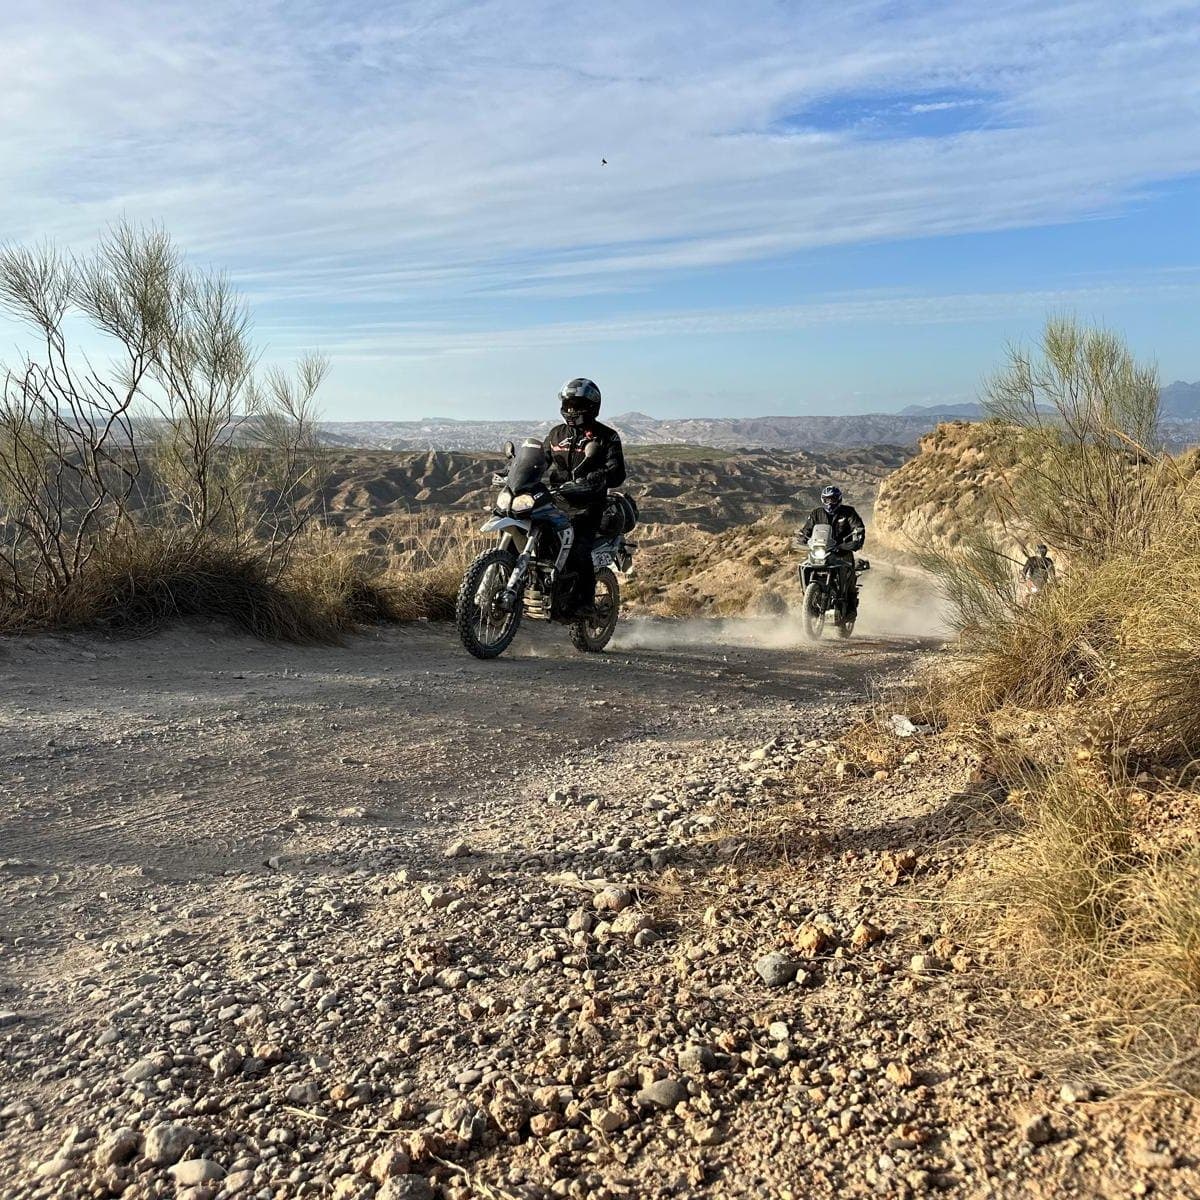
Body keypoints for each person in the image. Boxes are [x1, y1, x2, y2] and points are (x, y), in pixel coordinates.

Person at [543, 378, 626, 615]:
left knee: (578, 547)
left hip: (588, 505)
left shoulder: (606, 437)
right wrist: (515, 472)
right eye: (568, 405)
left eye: (576, 405)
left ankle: (584, 603)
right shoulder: (556, 434)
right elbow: (541, 460)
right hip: (557, 500)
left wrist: (600, 476)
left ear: (591, 406)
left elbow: (617, 472)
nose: (571, 410)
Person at [798, 484, 866, 615]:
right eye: (827, 499)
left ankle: (851, 610)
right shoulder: (816, 513)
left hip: (842, 552)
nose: (830, 503)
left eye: (833, 499)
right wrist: (802, 538)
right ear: (822, 500)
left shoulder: (848, 512)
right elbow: (807, 529)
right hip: (821, 551)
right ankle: (808, 599)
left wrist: (857, 539)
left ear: (839, 499)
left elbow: (858, 527)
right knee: (804, 566)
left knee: (849, 577)